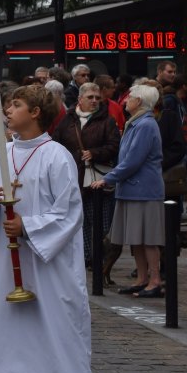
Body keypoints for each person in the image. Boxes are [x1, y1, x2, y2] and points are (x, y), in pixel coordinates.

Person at [0, 85, 113, 373]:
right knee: (7, 335)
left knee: (61, 332)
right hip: (8, 261)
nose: (8, 110)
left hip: (50, 266)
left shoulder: (57, 156)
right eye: (8, 105)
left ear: (35, 113)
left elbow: (68, 212)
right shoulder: (3, 153)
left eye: (16, 105)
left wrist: (28, 227)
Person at [90, 83, 164, 297]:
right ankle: (142, 279)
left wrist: (108, 178)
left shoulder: (145, 125)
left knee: (148, 238)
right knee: (136, 238)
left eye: (130, 97)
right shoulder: (138, 123)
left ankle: (155, 280)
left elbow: (133, 160)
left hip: (144, 191)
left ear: (139, 101)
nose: (126, 100)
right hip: (132, 189)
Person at [50, 82, 119, 265]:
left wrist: (95, 153)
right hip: (75, 178)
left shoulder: (107, 120)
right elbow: (56, 144)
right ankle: (87, 257)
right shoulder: (68, 120)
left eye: (97, 97)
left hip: (98, 178)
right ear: (80, 99)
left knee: (102, 222)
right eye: (90, 97)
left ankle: (100, 257)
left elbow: (114, 146)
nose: (95, 101)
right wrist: (73, 157)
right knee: (80, 220)